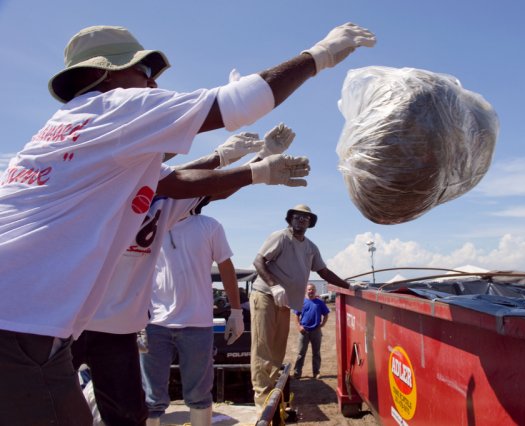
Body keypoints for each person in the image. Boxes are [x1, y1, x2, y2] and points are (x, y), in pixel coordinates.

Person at [0, 23, 376, 424]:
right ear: (104, 75)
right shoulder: (117, 106)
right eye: (144, 72)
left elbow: (176, 182)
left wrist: (254, 168)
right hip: (23, 323)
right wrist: (319, 55)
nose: (152, 84)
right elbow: (239, 103)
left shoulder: (66, 131)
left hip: (34, 319)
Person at [71, 124, 299, 426]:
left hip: (136, 326)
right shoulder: (101, 192)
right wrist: (227, 157)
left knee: (137, 409)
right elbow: (176, 179)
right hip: (76, 318)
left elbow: (204, 185)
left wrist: (256, 163)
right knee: (59, 400)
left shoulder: (172, 211)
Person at [251, 204, 366, 411]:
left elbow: (324, 272)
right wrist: (274, 285)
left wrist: (349, 286)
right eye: (297, 216)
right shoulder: (281, 237)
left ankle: (272, 398)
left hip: (284, 302)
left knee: (277, 350)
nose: (301, 220)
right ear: (290, 219)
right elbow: (258, 261)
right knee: (263, 349)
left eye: (306, 218)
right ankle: (262, 402)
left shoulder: (310, 247)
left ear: (310, 223)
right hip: (266, 296)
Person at [140, 210, 238, 426]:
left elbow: (226, 266)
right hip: (153, 323)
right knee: (150, 397)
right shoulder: (149, 223)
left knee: (200, 394)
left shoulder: (210, 226)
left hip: (197, 323)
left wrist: (237, 311)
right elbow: (133, 267)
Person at [292, 283, 330, 379]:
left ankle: (316, 372)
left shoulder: (320, 303)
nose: (311, 291)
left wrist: (322, 324)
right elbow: (296, 315)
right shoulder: (301, 302)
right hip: (304, 331)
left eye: (312, 289)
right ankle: (297, 373)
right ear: (306, 291)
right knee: (301, 353)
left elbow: (326, 314)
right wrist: (299, 327)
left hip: (316, 331)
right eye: (309, 289)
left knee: (316, 353)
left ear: (315, 291)